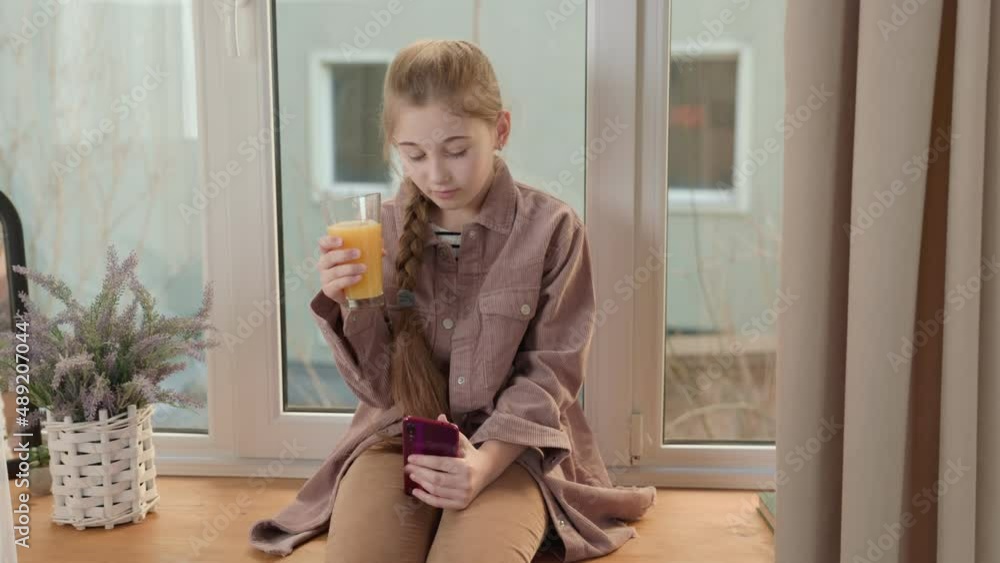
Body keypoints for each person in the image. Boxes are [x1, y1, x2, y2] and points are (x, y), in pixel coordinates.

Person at [249, 39, 655, 563]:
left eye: (457, 151)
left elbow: (550, 375)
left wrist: (482, 466)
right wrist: (349, 304)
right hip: (396, 438)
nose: (436, 174)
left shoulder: (553, 230)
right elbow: (377, 388)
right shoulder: (376, 233)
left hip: (512, 452)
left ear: (500, 130)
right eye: (414, 155)